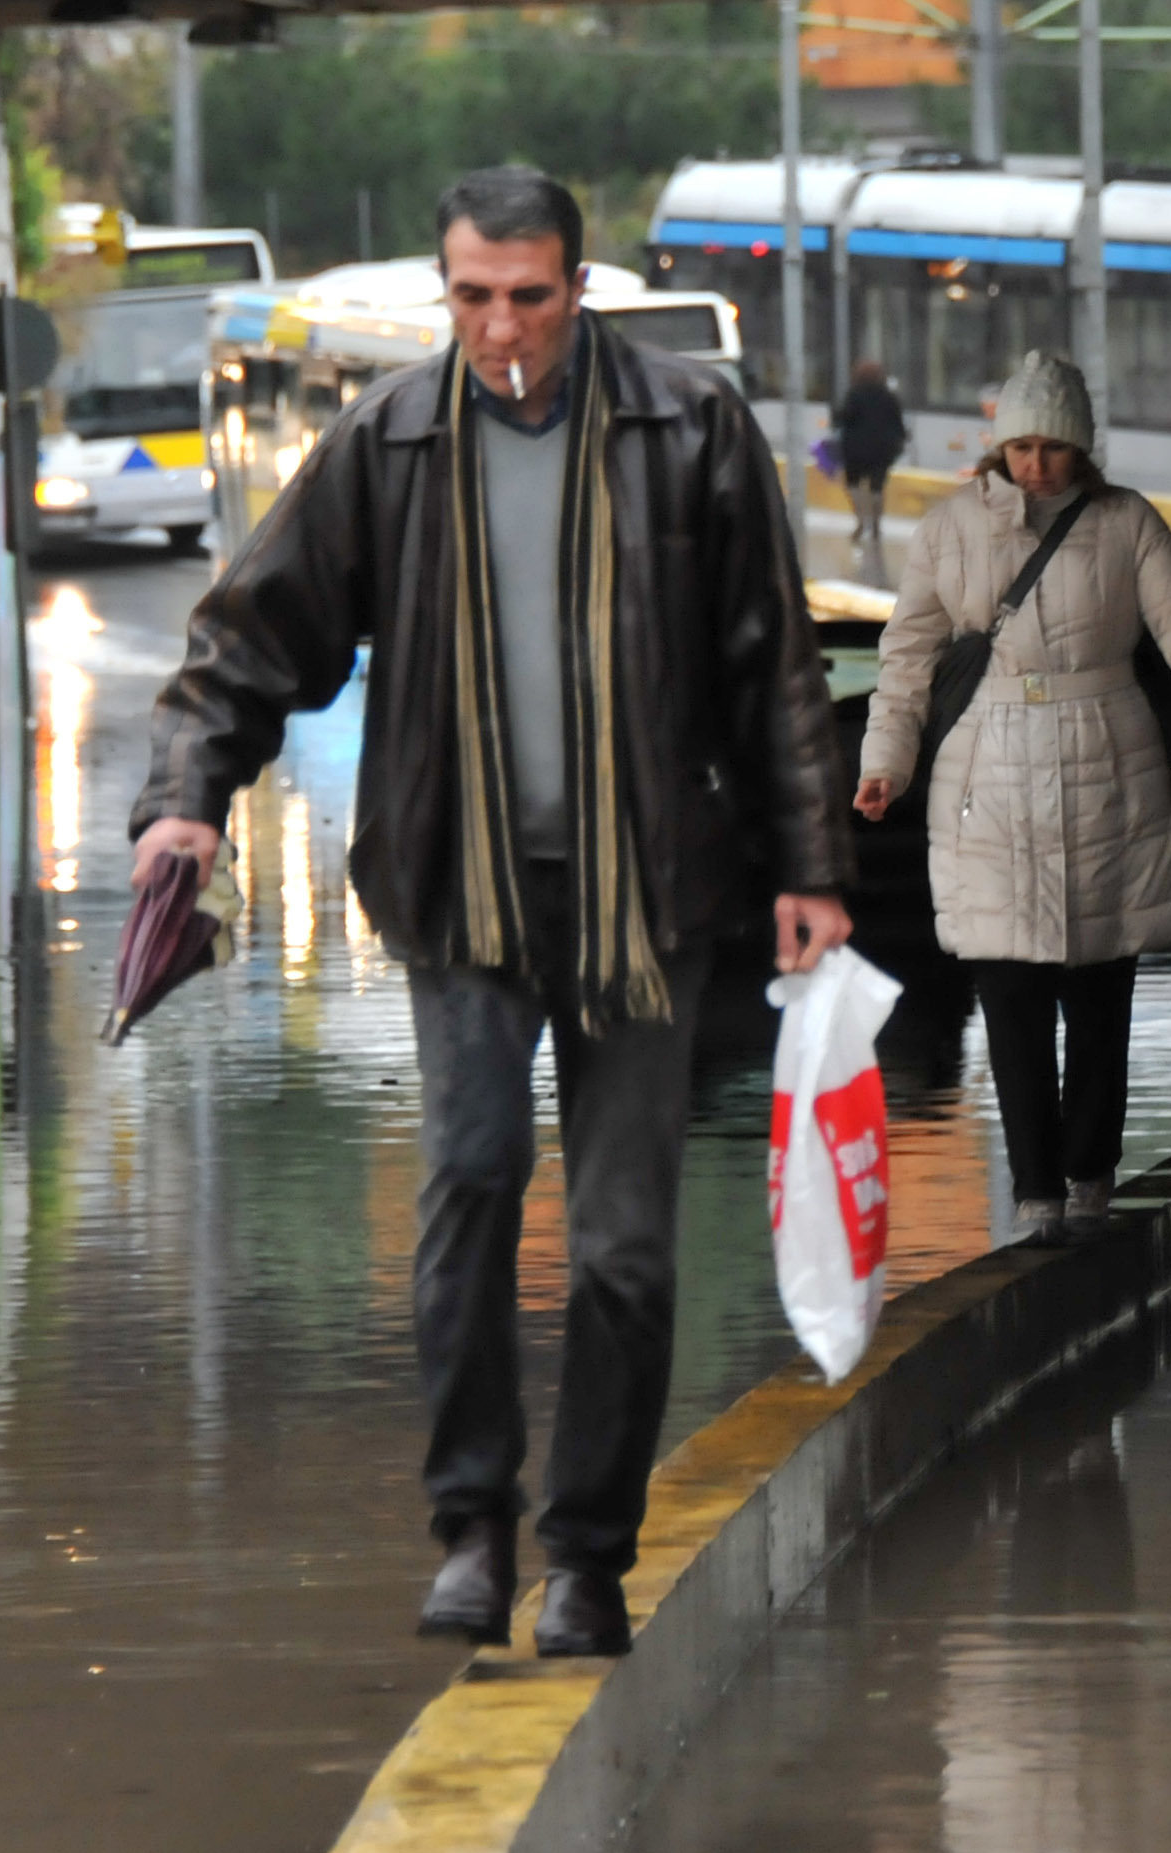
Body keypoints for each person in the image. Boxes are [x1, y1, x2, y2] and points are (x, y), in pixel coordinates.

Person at [128, 165, 853, 1661]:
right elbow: (254, 635)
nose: (501, 325)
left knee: (623, 1246)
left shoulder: (689, 428)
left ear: (578, 290)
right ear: (444, 293)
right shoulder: (390, 442)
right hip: (458, 885)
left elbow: (768, 664)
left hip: (645, 893)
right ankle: (473, 1527)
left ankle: (587, 1557)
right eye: (472, 297)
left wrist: (810, 872)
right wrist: (189, 797)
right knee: (467, 1178)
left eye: (529, 296)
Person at [854, 351, 1171, 1239]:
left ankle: (1090, 1181)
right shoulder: (950, 529)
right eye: (1023, 447)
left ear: (1084, 450)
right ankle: (1036, 1199)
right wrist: (887, 762)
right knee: (1012, 1001)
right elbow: (908, 658)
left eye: (1056, 448)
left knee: (1104, 999)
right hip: (988, 779)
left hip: (1108, 764)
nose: (1037, 466)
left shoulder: (1125, 524)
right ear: (999, 448)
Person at [834, 357, 913, 585]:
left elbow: (844, 418)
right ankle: (876, 524)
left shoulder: (854, 394)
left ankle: (860, 520)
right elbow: (899, 423)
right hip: (882, 450)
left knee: (853, 484)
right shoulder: (889, 396)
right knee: (877, 486)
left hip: (856, 449)